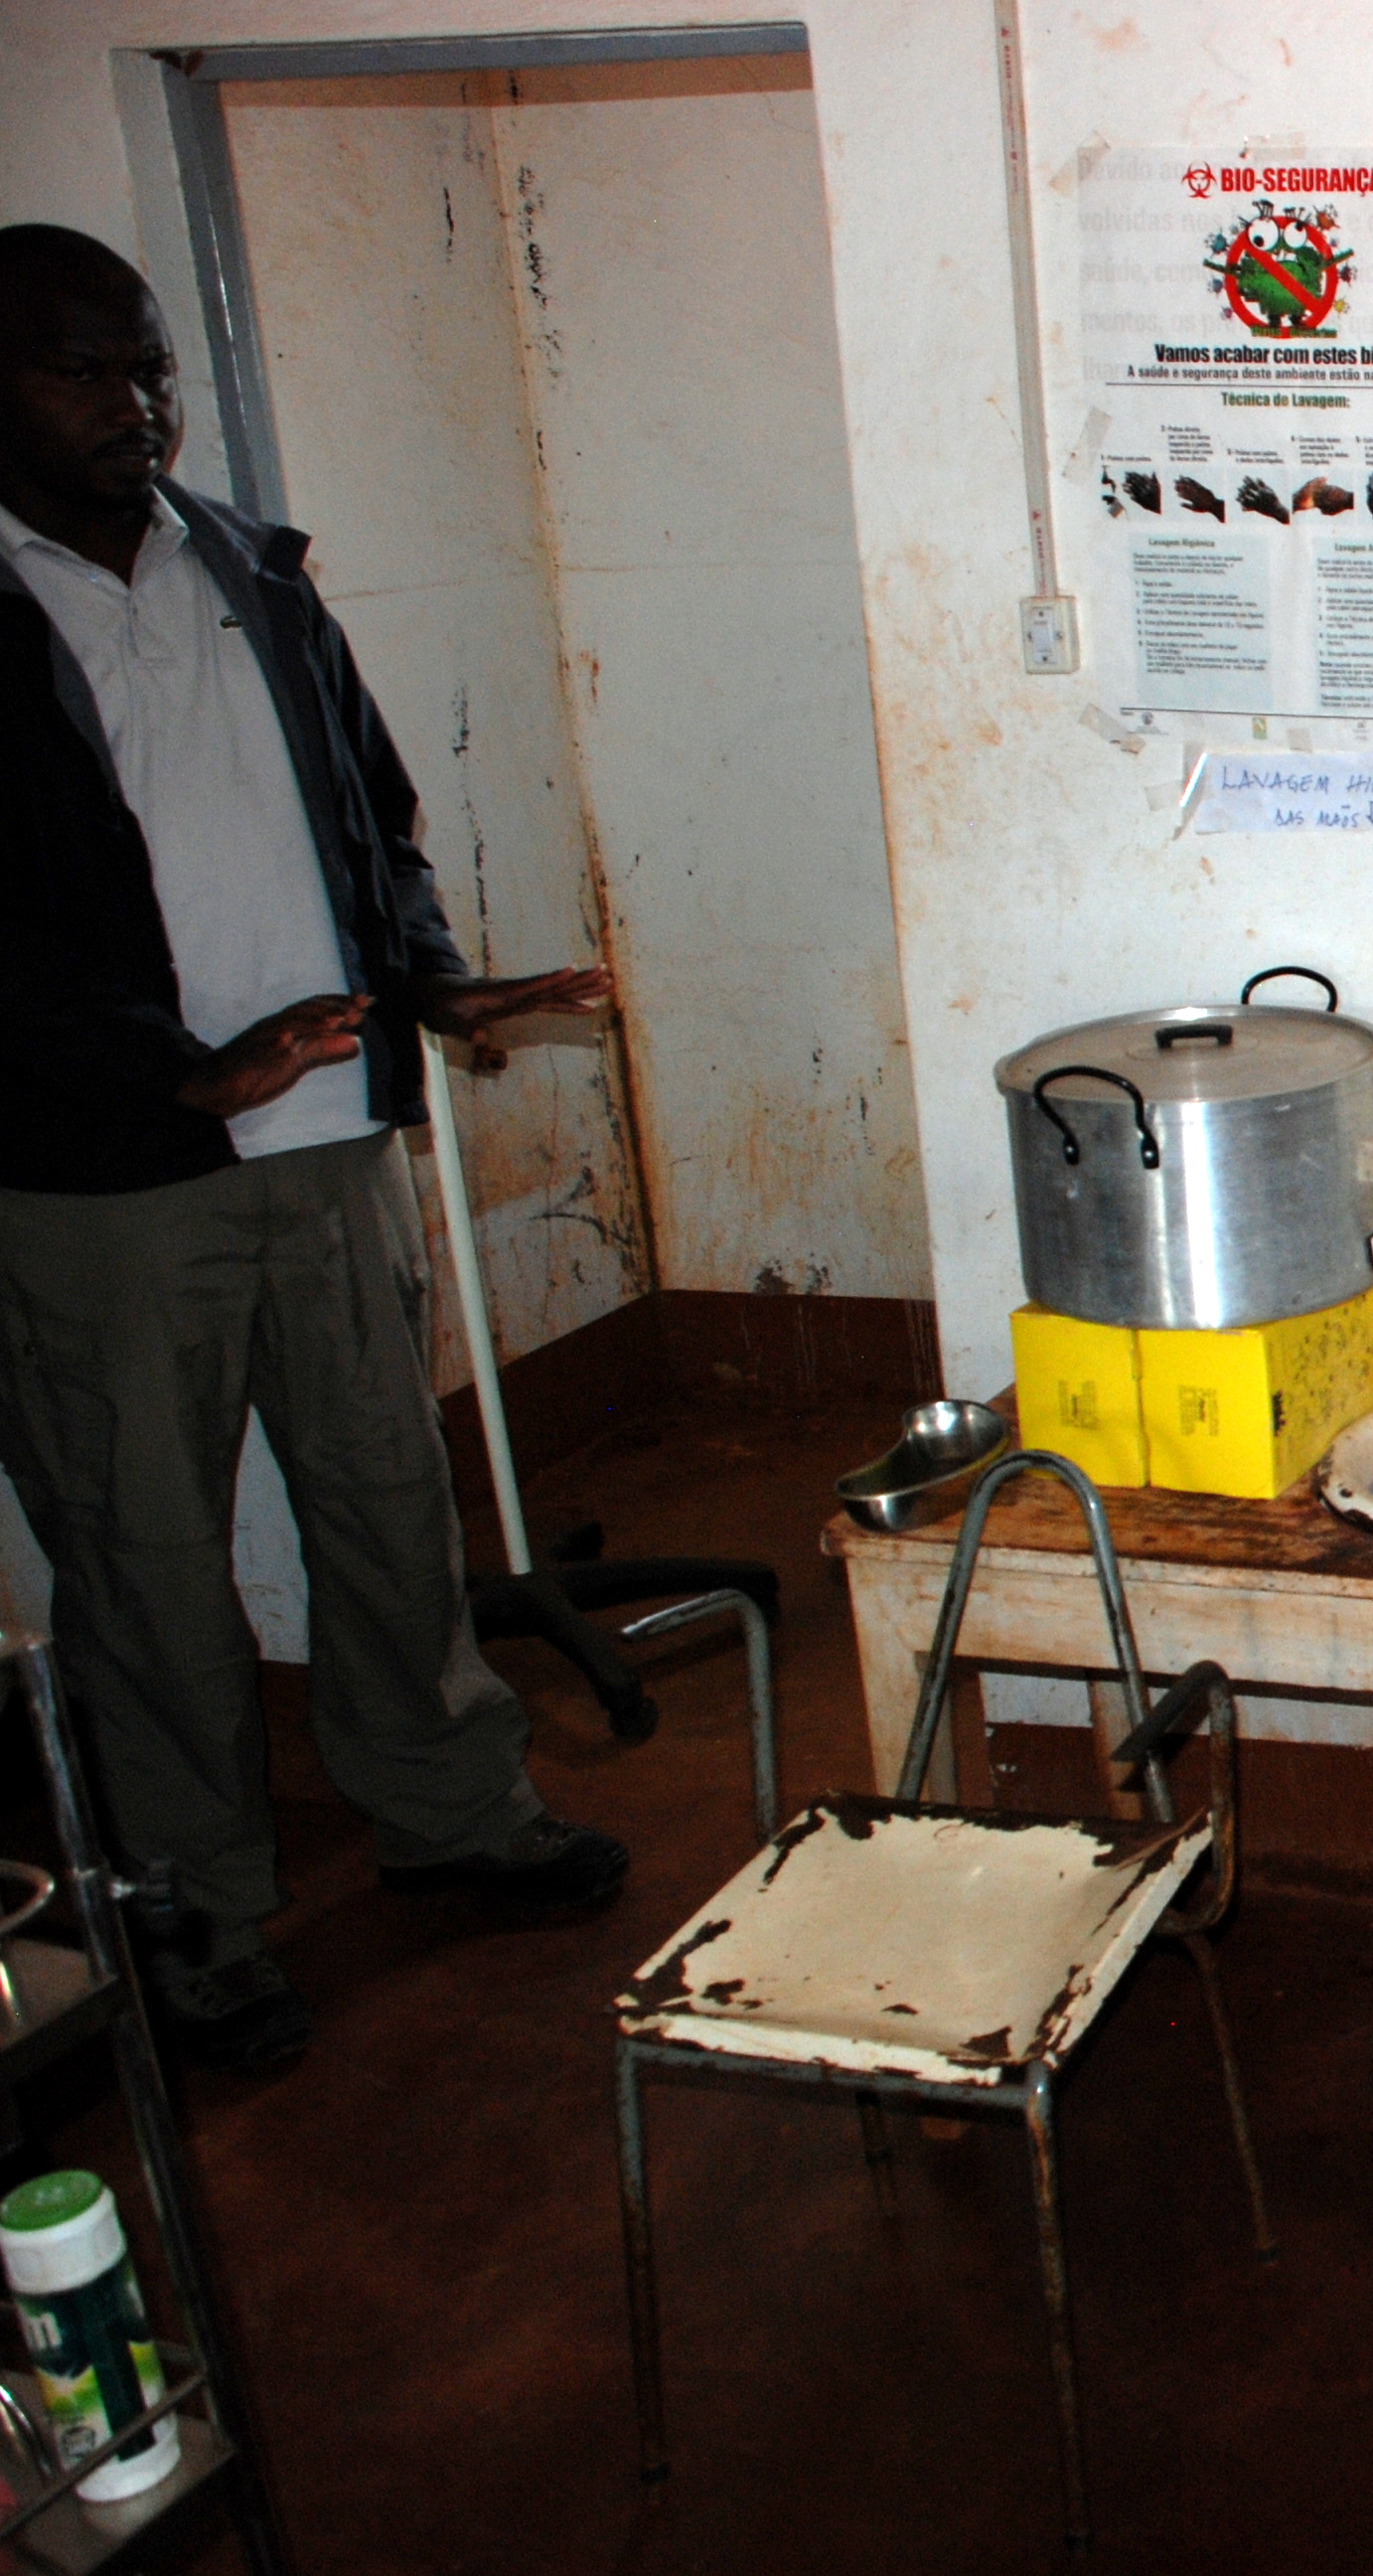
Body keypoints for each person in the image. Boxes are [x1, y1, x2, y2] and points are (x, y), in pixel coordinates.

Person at [0, 224, 629, 2077]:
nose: (133, 408)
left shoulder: (242, 573)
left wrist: (427, 983)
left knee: (379, 1489)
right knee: (142, 1553)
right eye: (79, 373)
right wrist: (162, 1079)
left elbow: (374, 811)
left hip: (325, 1135)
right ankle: (191, 1904)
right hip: (102, 1188)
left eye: (147, 369)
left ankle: (451, 1811)